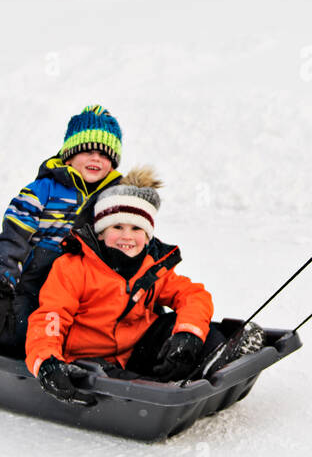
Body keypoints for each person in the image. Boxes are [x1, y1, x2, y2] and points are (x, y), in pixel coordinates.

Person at [25, 167, 226, 399]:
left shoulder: (151, 267)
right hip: (88, 360)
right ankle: (165, 389)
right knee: (123, 383)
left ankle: (212, 359)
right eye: (117, 227)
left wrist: (188, 334)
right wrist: (47, 361)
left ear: (148, 235)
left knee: (198, 330)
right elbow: (50, 317)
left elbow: (192, 295)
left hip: (134, 351)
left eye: (136, 228)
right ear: (100, 233)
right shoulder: (74, 268)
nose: (127, 236)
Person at [0, 104, 124, 356]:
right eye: (87, 150)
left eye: (104, 154)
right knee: (17, 335)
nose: (96, 158)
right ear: (69, 155)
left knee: (94, 337)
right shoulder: (41, 191)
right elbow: (13, 242)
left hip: (83, 295)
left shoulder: (113, 200)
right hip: (33, 288)